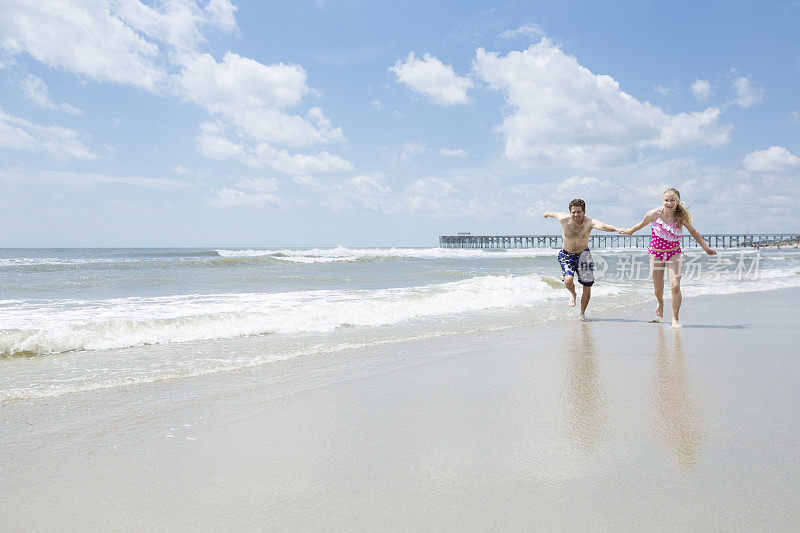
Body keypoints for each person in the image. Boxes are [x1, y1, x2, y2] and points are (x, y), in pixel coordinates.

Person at [619, 188, 716, 329]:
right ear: (662, 201)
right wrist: (630, 231)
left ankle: (675, 318)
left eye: (672, 200)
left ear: (678, 202)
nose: (669, 203)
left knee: (675, 286)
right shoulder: (653, 214)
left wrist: (706, 248)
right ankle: (660, 302)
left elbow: (694, 232)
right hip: (656, 254)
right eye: (667, 200)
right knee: (658, 290)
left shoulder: (680, 217)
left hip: (673, 254)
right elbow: (640, 225)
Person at [544, 199, 620, 320]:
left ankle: (582, 313)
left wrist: (616, 229)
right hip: (566, 255)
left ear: (584, 212)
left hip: (584, 255)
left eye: (579, 212)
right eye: (573, 212)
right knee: (568, 280)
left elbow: (603, 226)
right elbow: (553, 213)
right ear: (570, 212)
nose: (576, 215)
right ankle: (573, 294)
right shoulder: (563, 218)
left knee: (587, 286)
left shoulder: (588, 222)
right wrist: (547, 213)